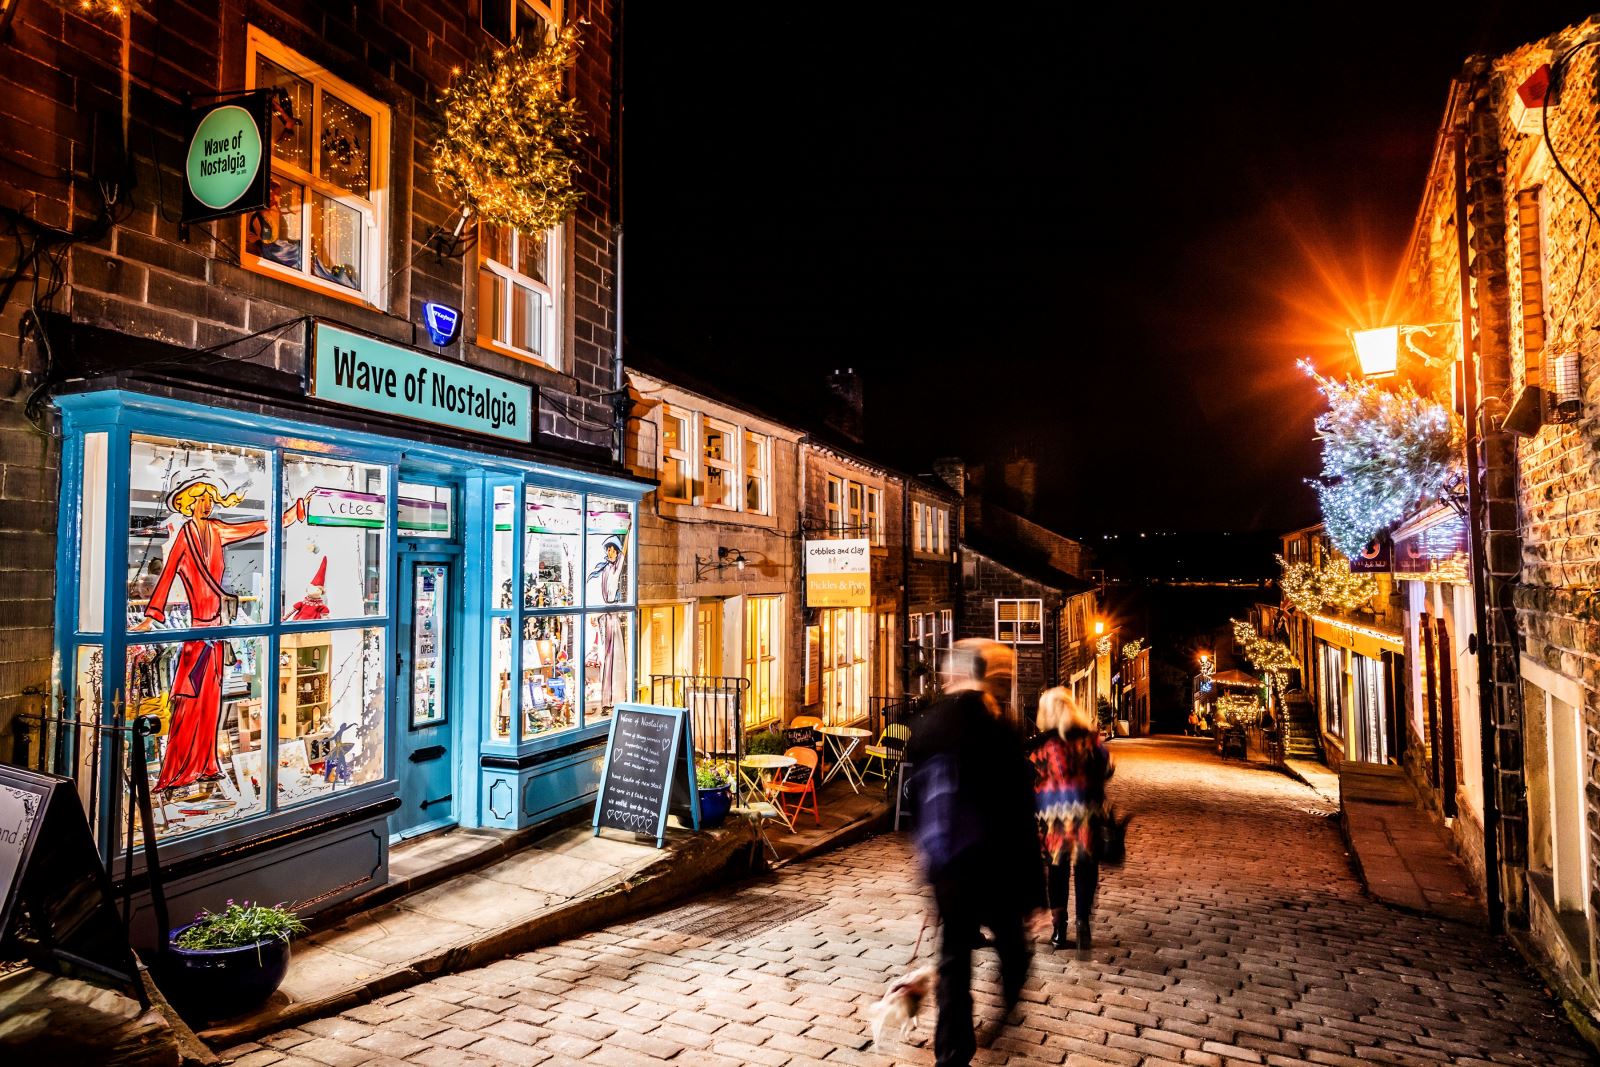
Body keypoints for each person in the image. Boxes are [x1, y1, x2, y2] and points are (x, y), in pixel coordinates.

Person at [907, 638, 1043, 1066]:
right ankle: (1009, 1000)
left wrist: (927, 868)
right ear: (982, 676)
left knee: (953, 959)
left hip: (950, 867)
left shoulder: (926, 725)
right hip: (996, 863)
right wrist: (1035, 892)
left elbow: (914, 802)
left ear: (951, 674)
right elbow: (1021, 812)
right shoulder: (999, 729)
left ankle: (952, 1051)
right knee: (1013, 947)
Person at [1029, 687, 1114, 952]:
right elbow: (1107, 770)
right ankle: (1083, 924)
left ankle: (1059, 929)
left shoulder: (1040, 746)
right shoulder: (1090, 741)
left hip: (1052, 819)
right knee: (1086, 869)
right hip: (1087, 815)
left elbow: (1029, 779)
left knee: (1057, 872)